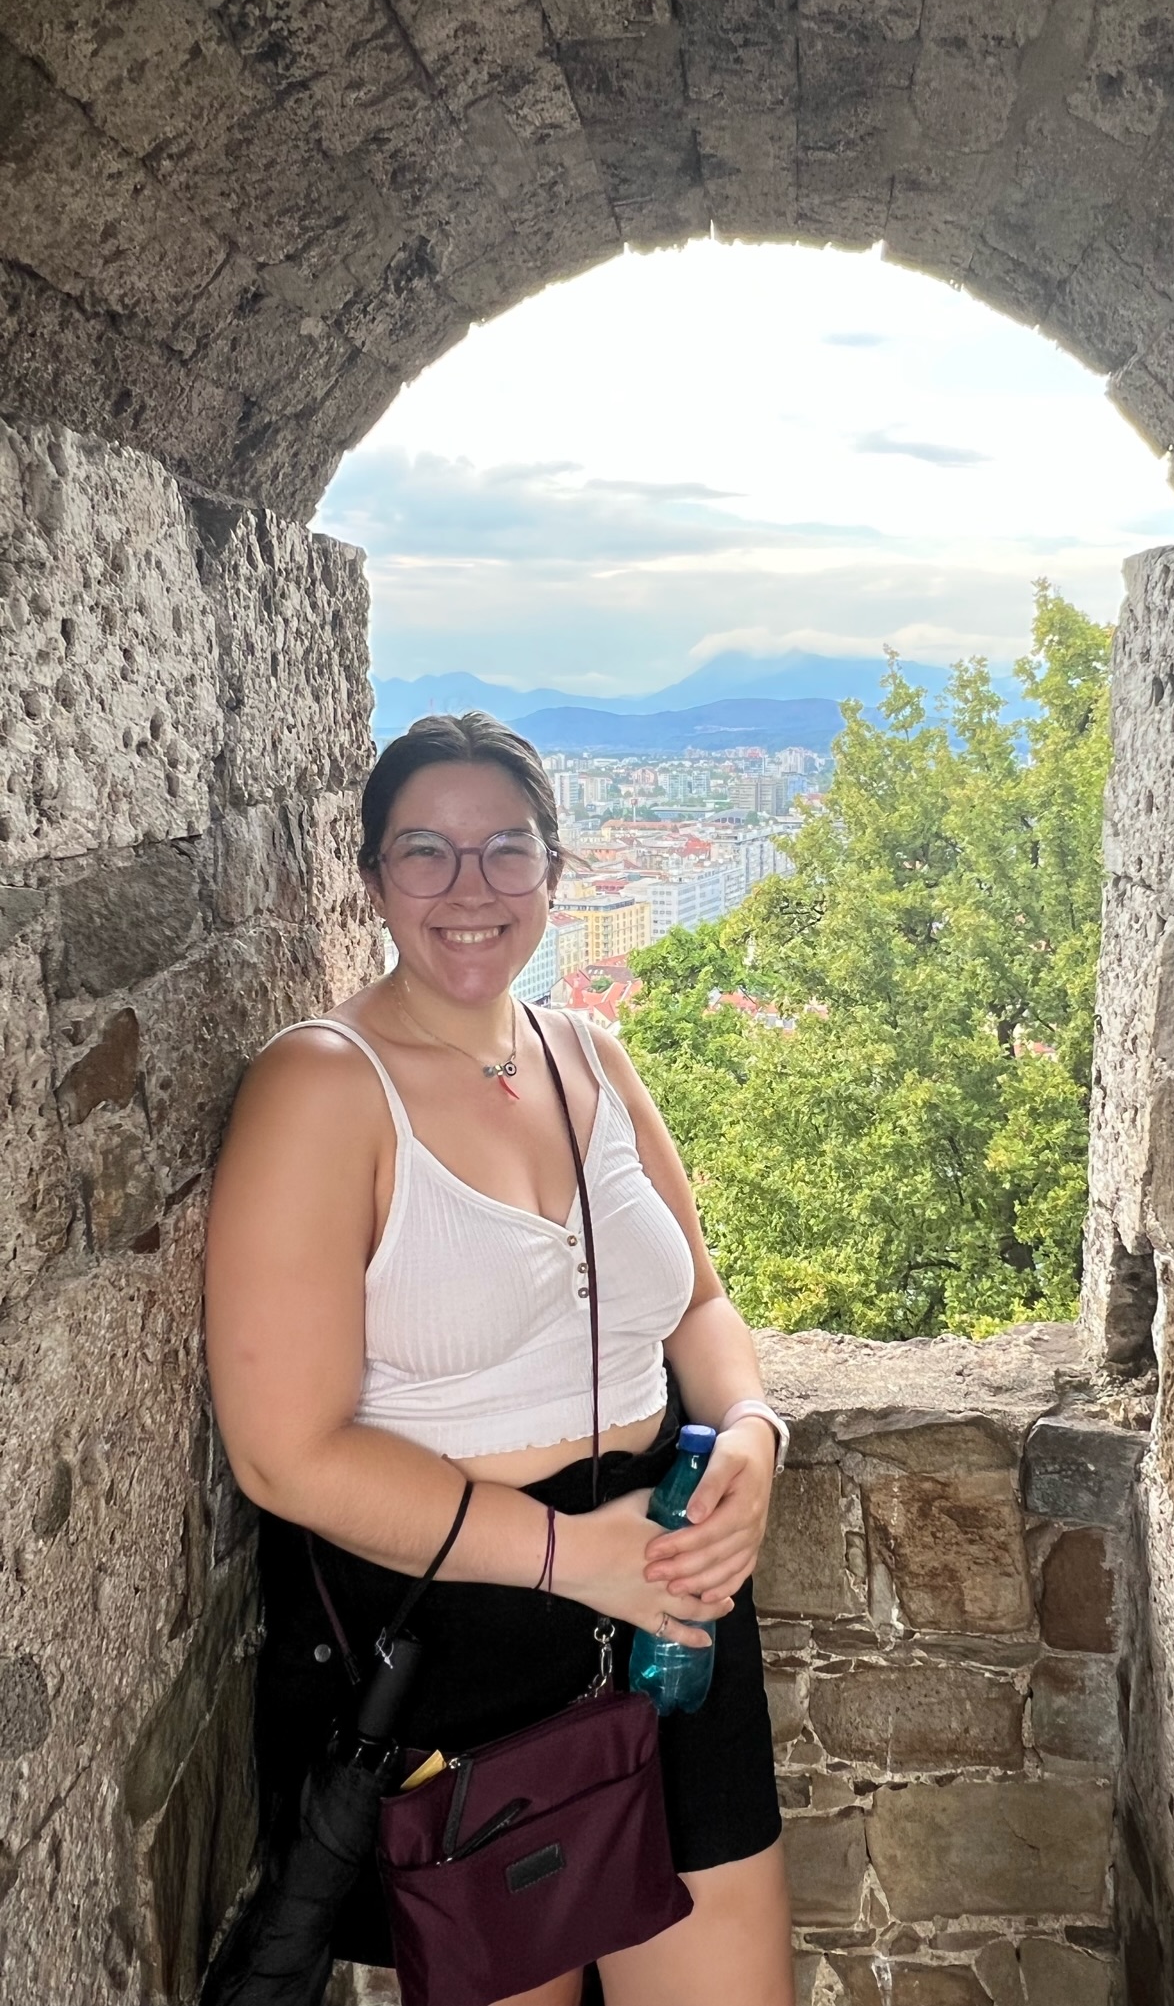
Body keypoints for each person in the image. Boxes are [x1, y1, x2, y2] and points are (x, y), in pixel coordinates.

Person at [205, 711, 793, 2006]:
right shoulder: (321, 1085)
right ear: (371, 878)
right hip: (467, 1621)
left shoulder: (590, 1052)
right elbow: (280, 1447)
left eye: (505, 851)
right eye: (426, 852)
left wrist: (752, 1426)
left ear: (552, 870)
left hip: (675, 1604)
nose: (470, 889)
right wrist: (569, 1553)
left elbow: (697, 1303)